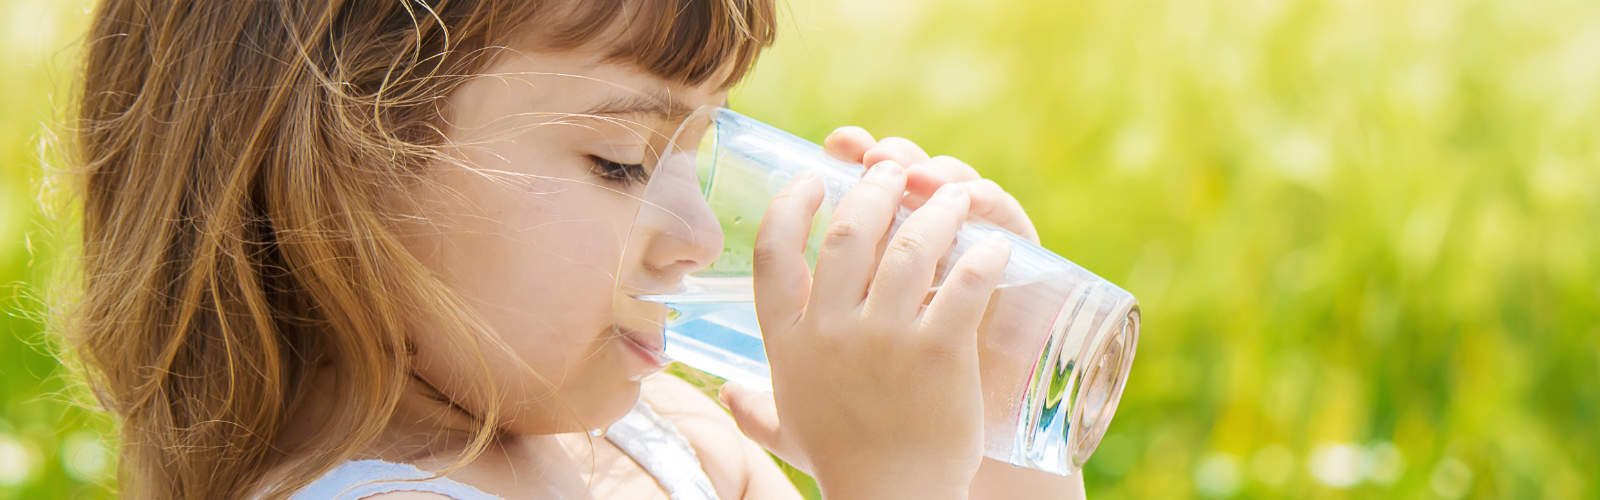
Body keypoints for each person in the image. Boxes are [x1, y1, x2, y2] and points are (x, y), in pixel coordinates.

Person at [64, 1, 1087, 498]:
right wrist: (891, 482)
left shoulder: (666, 439)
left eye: (700, 150)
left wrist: (988, 443)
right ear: (339, 179)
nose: (696, 235)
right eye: (618, 161)